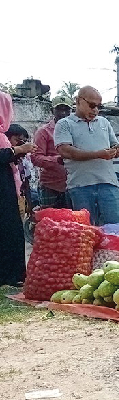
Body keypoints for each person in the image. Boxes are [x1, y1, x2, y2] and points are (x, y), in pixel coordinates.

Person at [54, 85, 119, 265]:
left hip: (108, 183)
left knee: (118, 230)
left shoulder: (104, 123)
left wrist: (116, 151)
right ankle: (88, 272)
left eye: (98, 106)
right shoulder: (64, 124)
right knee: (86, 233)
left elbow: (114, 146)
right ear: (78, 101)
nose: (95, 110)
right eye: (91, 105)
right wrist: (98, 154)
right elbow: (66, 151)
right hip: (80, 186)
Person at [0, 91, 37, 286]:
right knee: (8, 232)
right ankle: (8, 275)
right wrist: (18, 150)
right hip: (3, 193)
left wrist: (18, 154)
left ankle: (12, 274)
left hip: (7, 191)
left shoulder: (2, 137)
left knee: (11, 232)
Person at [31, 96, 73, 209]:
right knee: (49, 221)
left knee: (74, 222)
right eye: (59, 109)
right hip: (50, 186)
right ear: (52, 111)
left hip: (74, 185)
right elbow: (35, 157)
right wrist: (57, 160)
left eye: (66, 109)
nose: (63, 113)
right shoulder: (43, 132)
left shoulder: (76, 130)